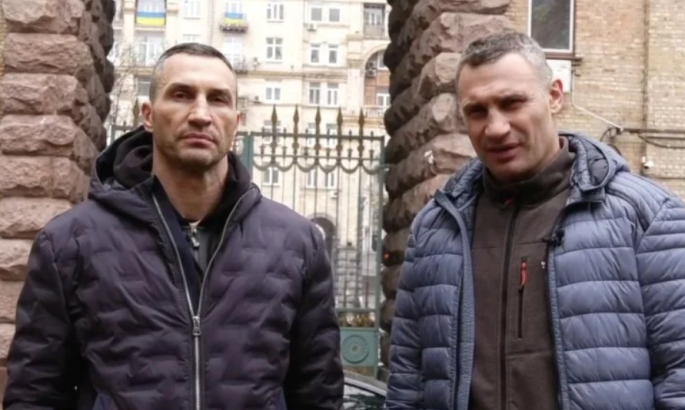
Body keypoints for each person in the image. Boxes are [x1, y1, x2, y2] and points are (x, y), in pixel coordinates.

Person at [3, 43, 344, 410]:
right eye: (181, 95)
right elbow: (35, 393)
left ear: (236, 121)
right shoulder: (70, 243)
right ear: (148, 115)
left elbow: (318, 394)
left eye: (217, 99)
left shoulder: (297, 244)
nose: (200, 114)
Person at [385, 30, 685, 410]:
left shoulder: (648, 217)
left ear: (554, 96)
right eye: (477, 111)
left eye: (512, 103)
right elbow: (407, 386)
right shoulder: (435, 231)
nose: (496, 128)